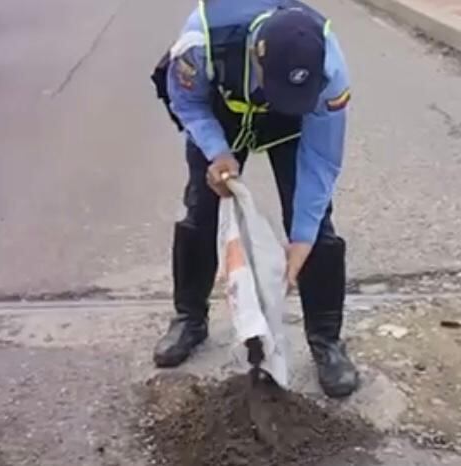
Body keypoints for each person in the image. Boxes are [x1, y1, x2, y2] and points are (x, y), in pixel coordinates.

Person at [149, 0, 359, 398]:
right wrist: (217, 152)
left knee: (317, 226)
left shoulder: (329, 68)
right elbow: (187, 101)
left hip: (289, 128)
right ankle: (189, 319)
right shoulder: (202, 41)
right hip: (221, 114)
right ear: (256, 58)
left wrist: (302, 239)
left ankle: (327, 342)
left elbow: (321, 160)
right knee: (200, 210)